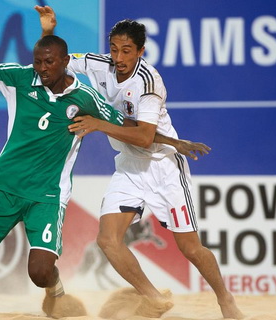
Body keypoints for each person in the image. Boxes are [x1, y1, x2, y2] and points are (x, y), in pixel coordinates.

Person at [35, 5, 244, 320]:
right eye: (114, 49)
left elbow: (146, 137)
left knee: (190, 250)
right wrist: (48, 33)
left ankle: (226, 300)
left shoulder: (148, 82)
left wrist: (98, 123)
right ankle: (154, 298)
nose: (118, 58)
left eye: (127, 51)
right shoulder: (99, 64)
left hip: (164, 169)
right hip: (130, 168)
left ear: (141, 51)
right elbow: (55, 62)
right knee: (107, 240)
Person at [0, 34, 133, 319]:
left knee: (39, 272)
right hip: (6, 188)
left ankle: (55, 291)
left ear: (64, 62)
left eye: (49, 62)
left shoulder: (84, 97)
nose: (42, 68)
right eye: (38, 62)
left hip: (46, 197)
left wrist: (160, 135)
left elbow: (127, 126)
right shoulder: (20, 79)